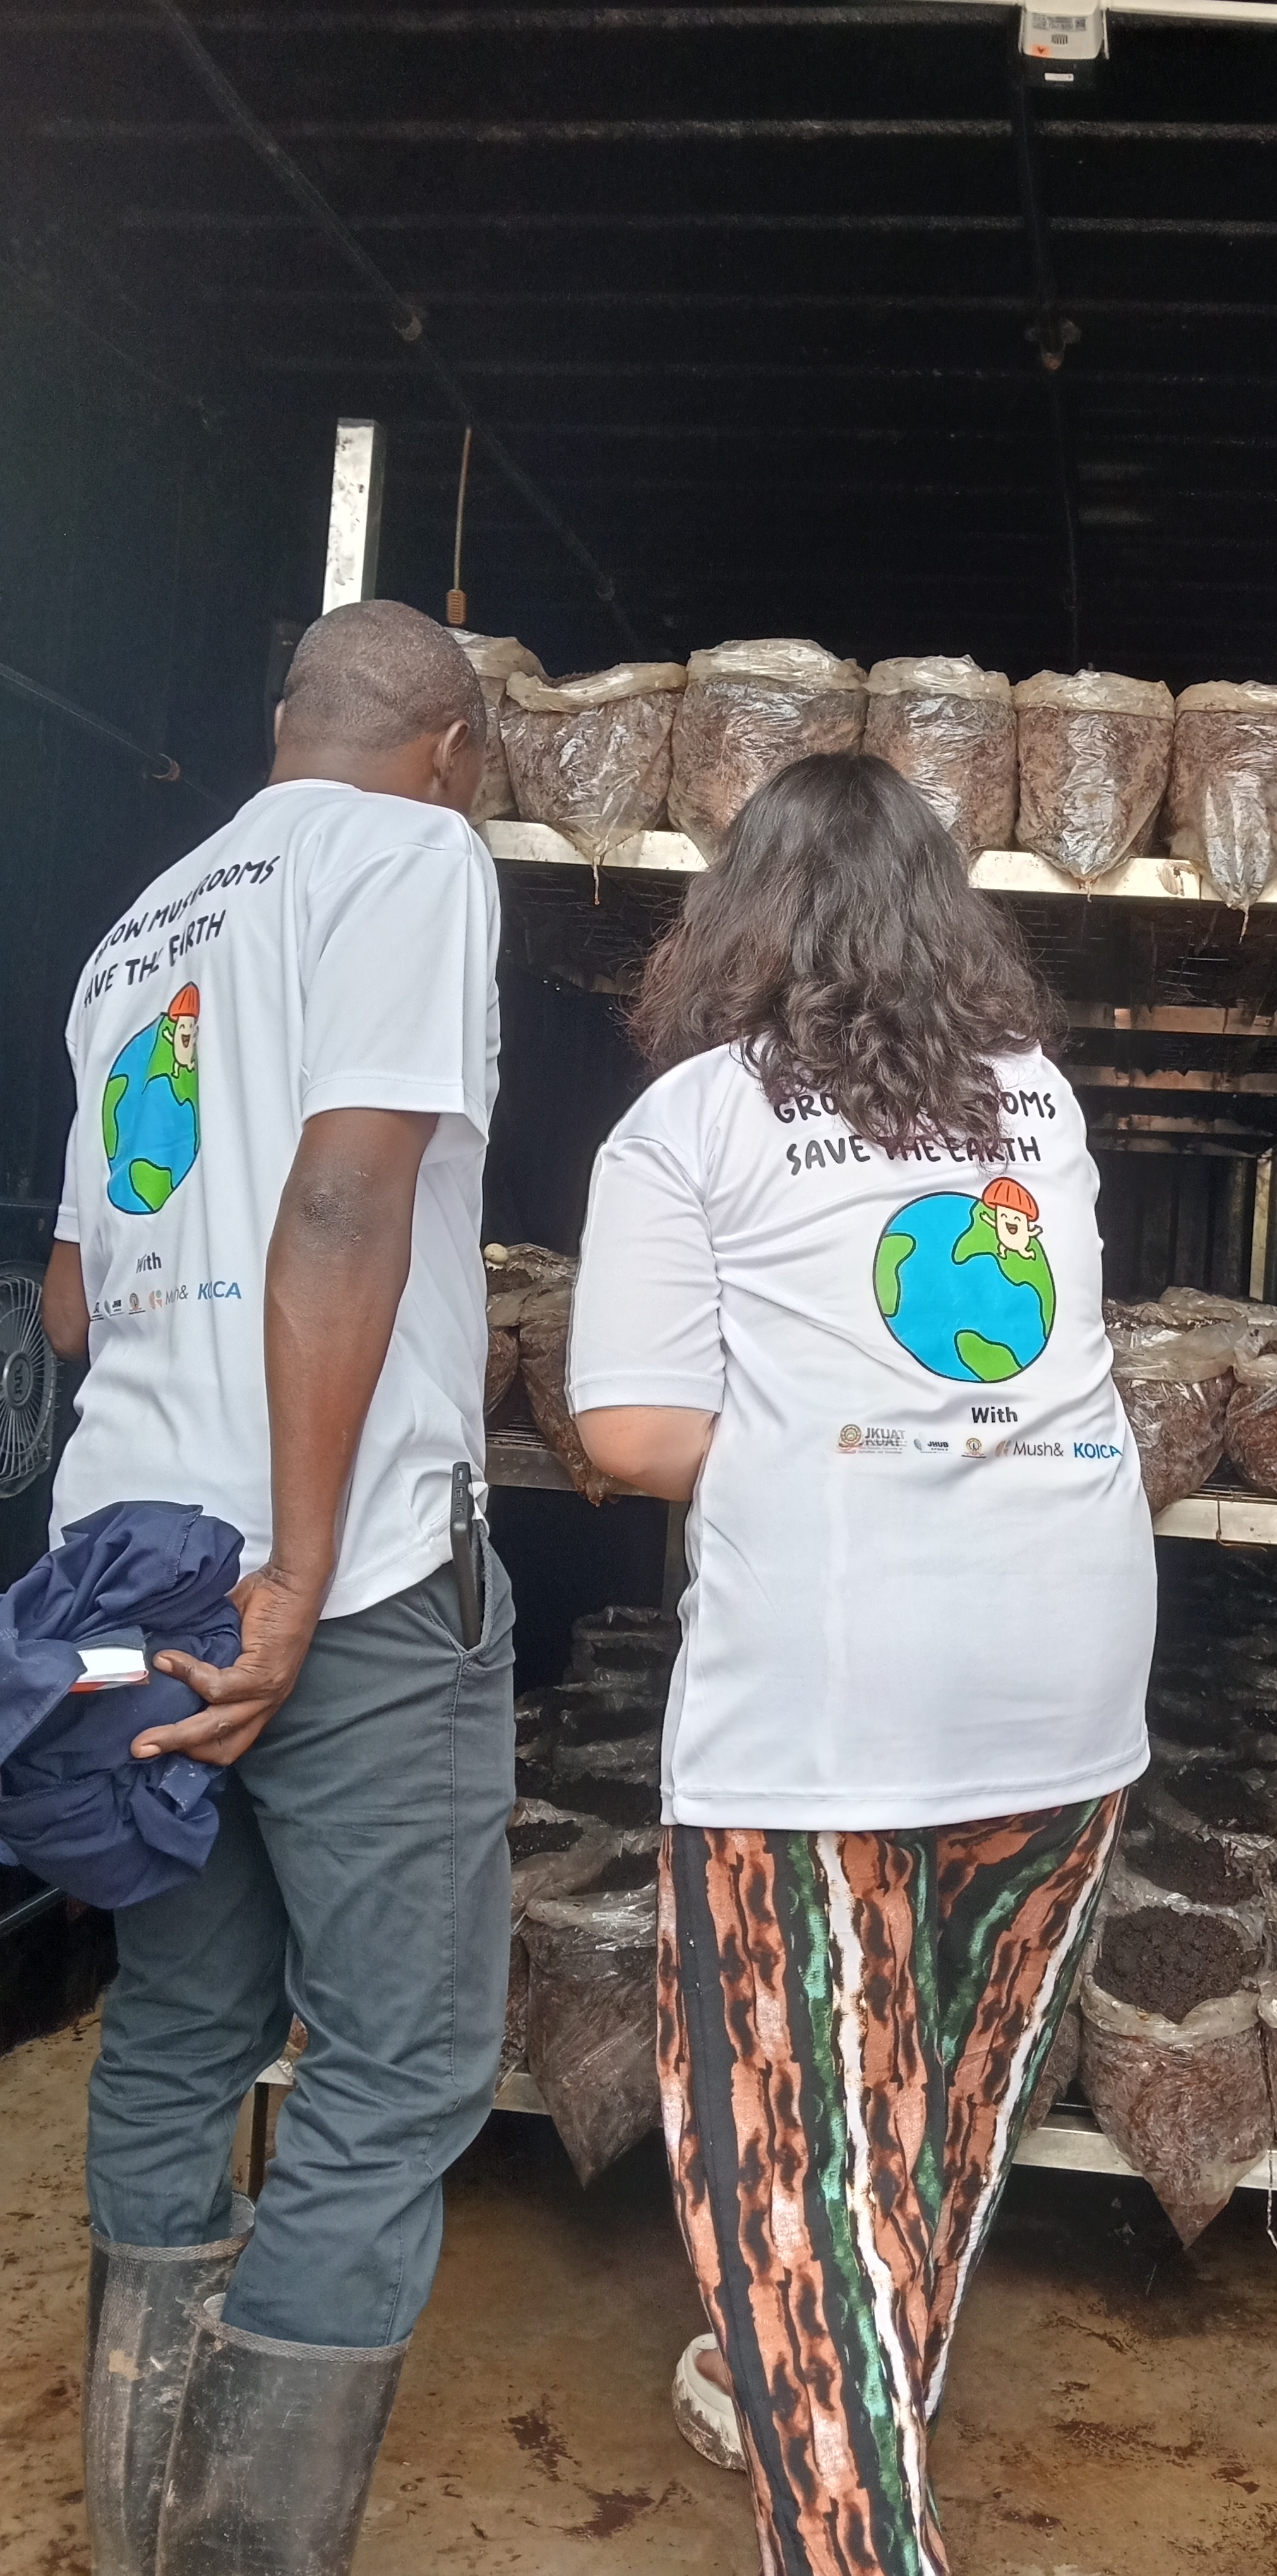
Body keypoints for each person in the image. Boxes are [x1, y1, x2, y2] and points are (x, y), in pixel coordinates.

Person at [567, 751, 1153, 2575]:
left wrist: (819, 1430)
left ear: (732, 922)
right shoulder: (1036, 1102)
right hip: (1070, 1685)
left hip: (826, 1711)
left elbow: (629, 1429)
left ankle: (846, 2515)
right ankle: (835, 2400)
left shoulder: (692, 1123)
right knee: (950, 2116)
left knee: (804, 2184)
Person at [41, 598, 515, 2576]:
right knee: (402, 2057)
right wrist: (306, 1565)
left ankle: (140, 2523)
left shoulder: (135, 930)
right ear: (459, 748)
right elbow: (346, 1190)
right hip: (349, 1566)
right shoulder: (415, 856)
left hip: (121, 1540)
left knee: (182, 2019)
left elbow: (74, 1295)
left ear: (275, 727)